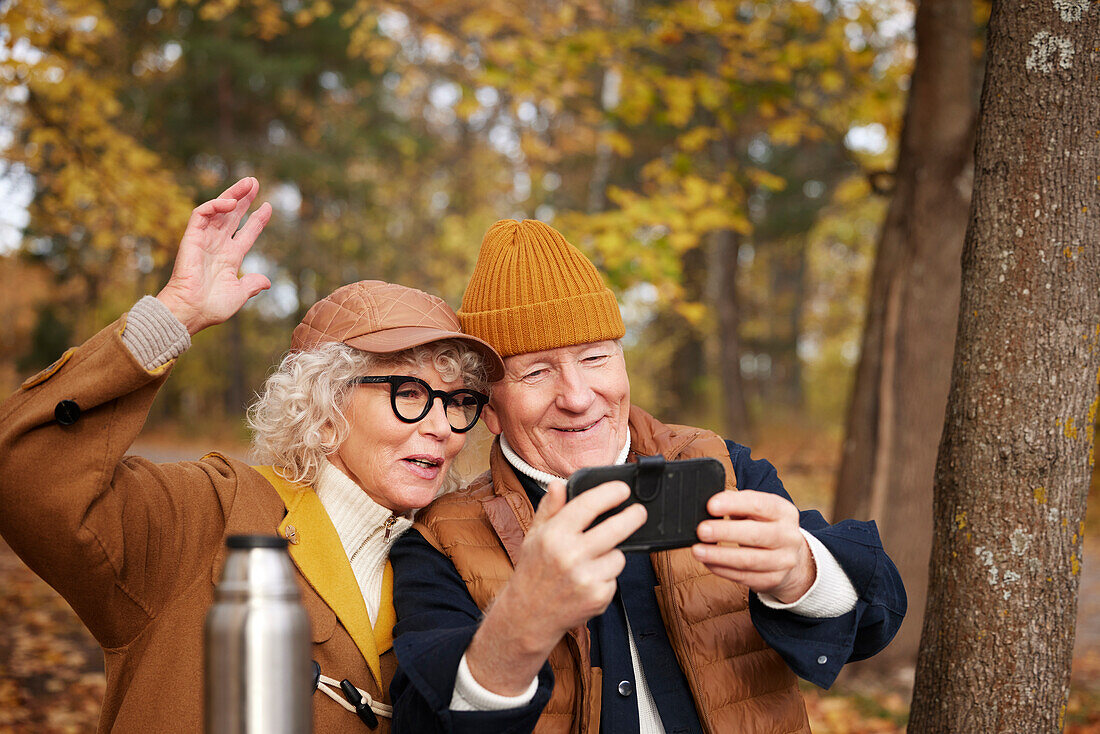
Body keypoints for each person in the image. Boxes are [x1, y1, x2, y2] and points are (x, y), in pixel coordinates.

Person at [0, 177, 504, 733]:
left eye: (460, 402)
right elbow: (27, 474)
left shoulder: (450, 569)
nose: (442, 428)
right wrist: (174, 316)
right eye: (408, 394)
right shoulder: (206, 516)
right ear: (326, 400)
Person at [388, 219, 907, 733]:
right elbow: (422, 721)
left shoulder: (719, 465)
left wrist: (799, 571)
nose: (576, 396)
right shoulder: (439, 540)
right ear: (491, 409)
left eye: (594, 358)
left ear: (623, 366)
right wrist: (523, 619)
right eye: (537, 372)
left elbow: (877, 614)